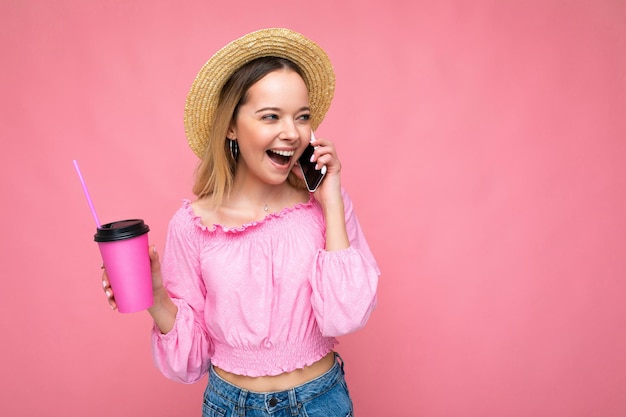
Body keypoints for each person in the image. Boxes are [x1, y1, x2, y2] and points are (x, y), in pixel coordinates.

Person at [102, 28, 380, 416]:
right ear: (231, 126)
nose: (291, 133)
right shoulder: (192, 225)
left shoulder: (324, 207)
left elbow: (344, 316)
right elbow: (191, 363)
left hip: (321, 402)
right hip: (230, 405)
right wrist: (156, 297)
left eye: (302, 117)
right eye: (271, 116)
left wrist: (331, 196)